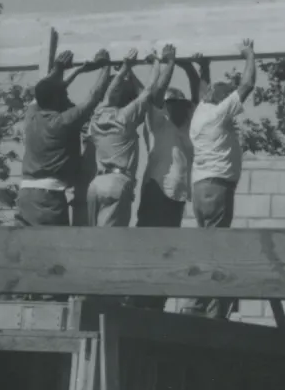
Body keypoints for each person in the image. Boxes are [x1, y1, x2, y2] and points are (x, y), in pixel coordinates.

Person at [184, 40, 257, 319]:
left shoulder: (202, 111)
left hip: (201, 190)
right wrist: (249, 55)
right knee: (217, 251)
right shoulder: (216, 115)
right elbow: (248, 85)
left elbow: (204, 90)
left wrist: (204, 66)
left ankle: (197, 305)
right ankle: (207, 311)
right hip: (217, 190)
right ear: (223, 102)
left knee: (207, 246)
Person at [14, 49, 112, 227]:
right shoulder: (62, 122)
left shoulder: (31, 115)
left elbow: (46, 91)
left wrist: (61, 68)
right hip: (48, 198)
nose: (67, 97)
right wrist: (106, 67)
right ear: (57, 99)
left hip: (25, 194)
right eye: (64, 94)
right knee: (53, 248)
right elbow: (94, 97)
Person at [86, 48, 171, 226]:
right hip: (117, 182)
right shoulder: (125, 117)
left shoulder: (98, 115)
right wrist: (156, 62)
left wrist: (125, 67)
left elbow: (109, 95)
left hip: (96, 184)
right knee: (111, 240)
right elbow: (148, 91)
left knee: (93, 238)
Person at [137, 52, 207, 228]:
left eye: (180, 103)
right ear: (166, 106)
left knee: (166, 240)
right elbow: (158, 91)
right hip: (158, 187)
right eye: (173, 103)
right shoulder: (160, 120)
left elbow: (200, 97)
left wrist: (190, 67)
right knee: (149, 236)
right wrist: (172, 62)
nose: (178, 106)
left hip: (177, 191)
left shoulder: (189, 119)